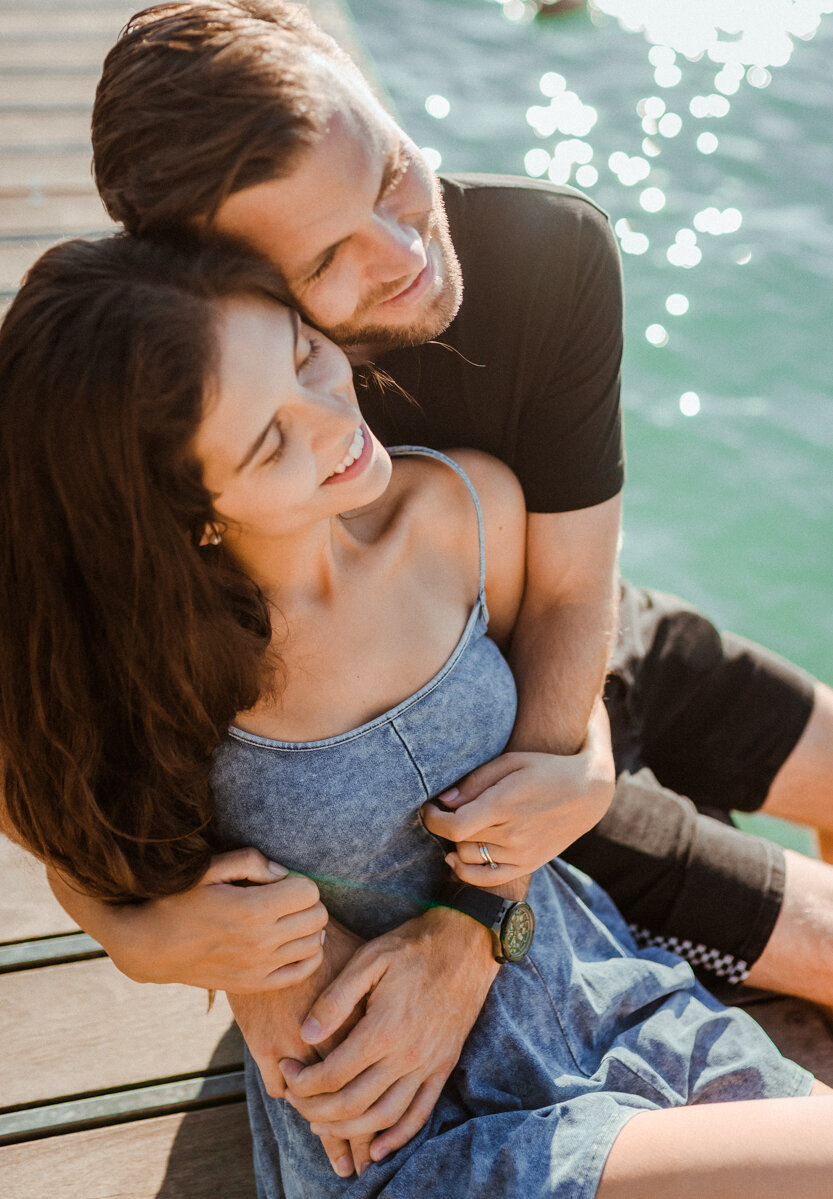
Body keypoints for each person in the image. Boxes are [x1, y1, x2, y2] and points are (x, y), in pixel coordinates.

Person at [41, 0, 833, 1172]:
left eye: (393, 172)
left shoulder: (543, 255)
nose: (406, 254)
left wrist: (493, 900)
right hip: (491, 787)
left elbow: (576, 597)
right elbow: (53, 737)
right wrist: (162, 935)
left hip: (574, 666)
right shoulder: (178, 413)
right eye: (322, 264)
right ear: (208, 278)